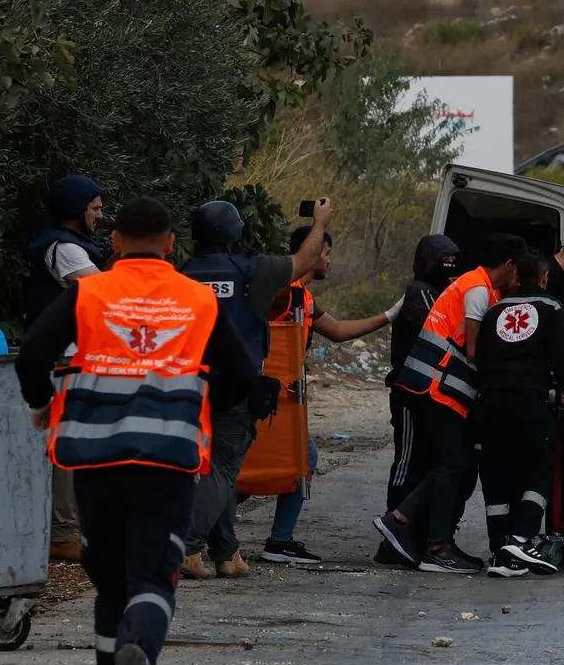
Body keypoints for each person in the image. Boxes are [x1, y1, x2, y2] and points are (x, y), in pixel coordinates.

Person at [14, 197, 266, 665]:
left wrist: (41, 405)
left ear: (117, 244)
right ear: (172, 244)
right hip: (167, 459)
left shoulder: (88, 291)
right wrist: (204, 396)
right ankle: (139, 659)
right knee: (154, 577)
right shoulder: (198, 299)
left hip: (96, 461)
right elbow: (244, 375)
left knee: (109, 584)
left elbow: (33, 353)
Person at [177, 198, 332, 579]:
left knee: (213, 468)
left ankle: (226, 553)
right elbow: (306, 259)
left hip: (184, 385)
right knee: (223, 468)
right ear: (235, 234)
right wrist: (320, 221)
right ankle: (187, 545)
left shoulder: (180, 274)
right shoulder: (252, 271)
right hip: (234, 384)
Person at [377, 232, 527, 574]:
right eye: (517, 272)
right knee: (454, 463)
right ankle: (436, 546)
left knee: (453, 463)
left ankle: (403, 519)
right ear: (507, 265)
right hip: (437, 387)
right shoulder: (477, 289)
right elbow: (473, 350)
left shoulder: (479, 286)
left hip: (437, 387)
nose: (517, 279)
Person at [259, 225, 397, 565]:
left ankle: (207, 533)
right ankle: (270, 540)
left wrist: (389, 315)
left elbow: (336, 331)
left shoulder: (303, 298)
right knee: (286, 462)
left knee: (274, 463)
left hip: (284, 398)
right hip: (266, 395)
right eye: (326, 252)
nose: (329, 260)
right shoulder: (280, 293)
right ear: (310, 253)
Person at [472, 249, 564, 578]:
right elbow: (560, 359)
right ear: (546, 278)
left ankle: (500, 555)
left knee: (495, 475)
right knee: (539, 468)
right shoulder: (552, 308)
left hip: (491, 400)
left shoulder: (495, 310)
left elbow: (480, 355)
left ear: (517, 278)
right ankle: (521, 538)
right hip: (529, 400)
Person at [20, 175, 106, 564]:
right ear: (76, 211)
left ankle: (74, 526)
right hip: (67, 357)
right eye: (95, 208)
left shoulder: (68, 245)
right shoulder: (67, 250)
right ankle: (63, 532)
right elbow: (105, 295)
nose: (99, 216)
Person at [374, 234, 462, 567]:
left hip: (430, 394)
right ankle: (392, 535)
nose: (450, 268)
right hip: (410, 392)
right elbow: (441, 331)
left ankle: (411, 532)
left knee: (427, 460)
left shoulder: (439, 293)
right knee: (408, 461)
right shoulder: (420, 293)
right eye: (444, 261)